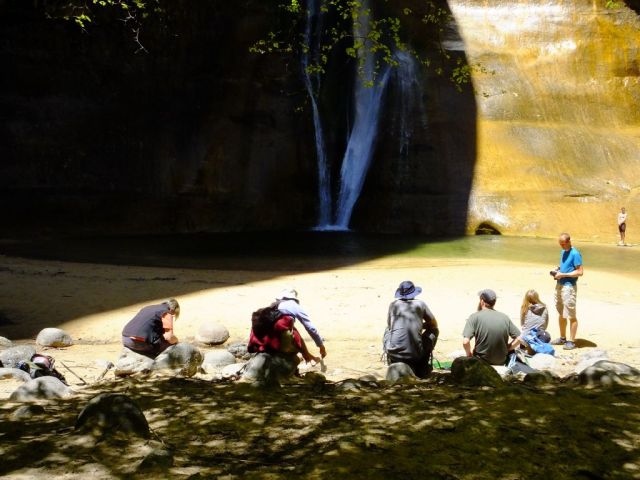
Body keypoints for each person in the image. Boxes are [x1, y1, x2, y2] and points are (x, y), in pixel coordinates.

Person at [383, 280, 439, 378]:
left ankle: (390, 360)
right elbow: (434, 324)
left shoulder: (393, 305)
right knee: (434, 331)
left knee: (387, 330)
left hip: (394, 355)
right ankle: (423, 363)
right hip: (414, 356)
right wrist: (420, 325)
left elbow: (390, 326)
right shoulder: (420, 304)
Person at [462, 289, 520, 365]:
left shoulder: (474, 317)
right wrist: (508, 348)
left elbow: (465, 342)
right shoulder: (504, 317)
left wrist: (468, 354)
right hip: (501, 361)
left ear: (482, 301)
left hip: (481, 362)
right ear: (494, 303)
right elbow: (520, 338)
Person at [551, 233, 583, 350]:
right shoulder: (563, 252)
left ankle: (571, 341)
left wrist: (563, 274)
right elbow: (565, 266)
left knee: (571, 315)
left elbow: (580, 272)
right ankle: (562, 337)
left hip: (569, 286)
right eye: (560, 244)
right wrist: (558, 270)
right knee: (561, 313)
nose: (562, 246)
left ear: (569, 241)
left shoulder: (575, 253)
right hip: (559, 284)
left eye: (563, 244)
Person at [275, 287, 325, 362]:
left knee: (293, 329)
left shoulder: (274, 305)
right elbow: (310, 328)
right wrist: (321, 345)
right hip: (280, 332)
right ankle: (307, 357)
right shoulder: (294, 305)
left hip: (263, 330)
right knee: (294, 332)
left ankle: (308, 356)